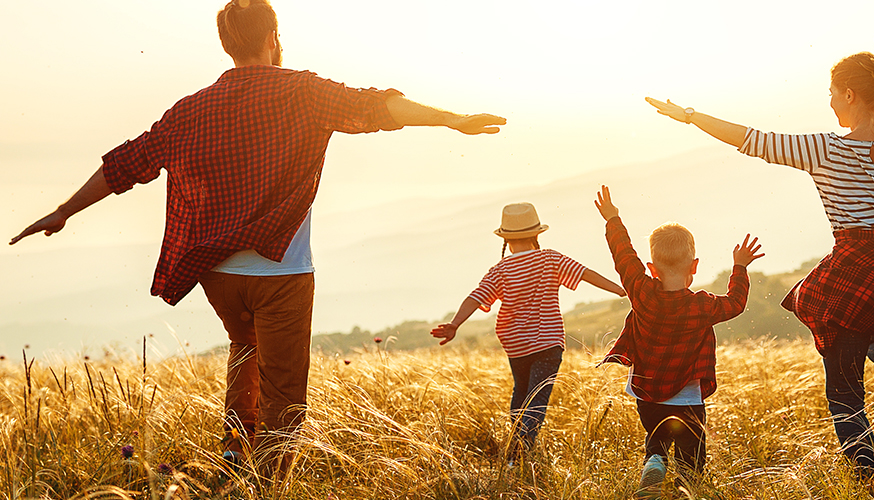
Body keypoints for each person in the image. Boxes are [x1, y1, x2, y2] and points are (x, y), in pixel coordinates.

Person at [9, 0, 505, 478]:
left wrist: (63, 211)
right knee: (284, 393)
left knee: (243, 349)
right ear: (273, 38)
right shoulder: (303, 92)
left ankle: (233, 458)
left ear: (226, 44)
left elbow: (126, 164)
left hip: (217, 275)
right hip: (282, 275)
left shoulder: (189, 111)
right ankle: (268, 483)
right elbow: (377, 106)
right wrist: (452, 119)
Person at [645, 35, 874, 475]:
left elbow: (753, 140)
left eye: (832, 93)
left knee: (845, 398)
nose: (829, 103)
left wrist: (691, 117)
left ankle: (871, 478)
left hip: (850, 267)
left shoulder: (824, 148)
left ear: (849, 93)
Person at [594, 185, 763, 493]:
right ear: (695, 266)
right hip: (687, 398)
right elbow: (736, 302)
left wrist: (613, 219)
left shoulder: (641, 291)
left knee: (656, 437)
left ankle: (655, 460)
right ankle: (686, 488)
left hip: (647, 394)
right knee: (691, 454)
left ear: (651, 268)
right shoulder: (703, 305)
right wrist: (739, 267)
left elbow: (623, 255)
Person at [430, 202, 626, 464]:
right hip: (548, 343)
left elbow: (475, 298)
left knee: (521, 394)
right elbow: (585, 274)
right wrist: (619, 289)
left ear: (507, 240)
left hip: (516, 345)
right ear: (536, 234)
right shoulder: (550, 258)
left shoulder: (499, 270)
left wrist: (455, 324)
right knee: (537, 399)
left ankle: (516, 448)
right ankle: (519, 453)